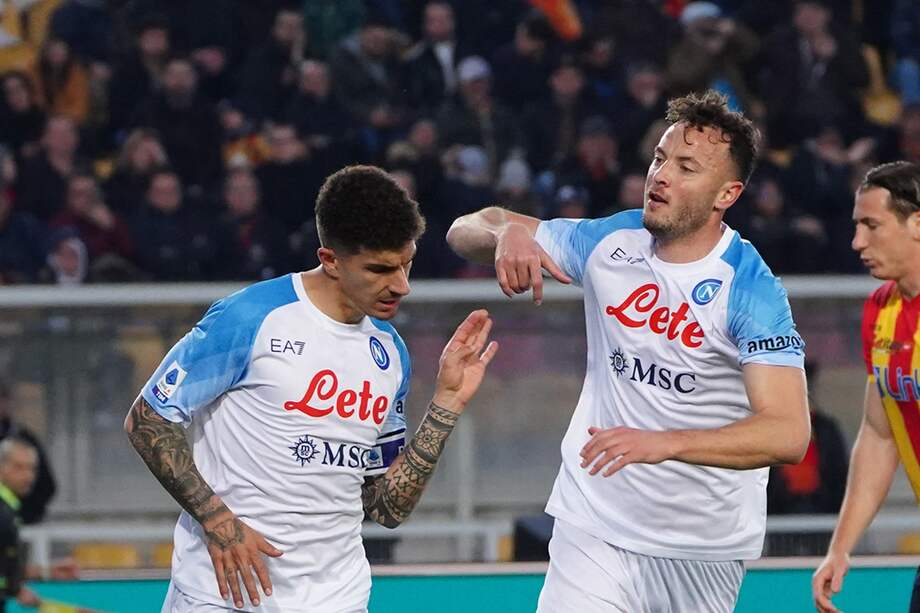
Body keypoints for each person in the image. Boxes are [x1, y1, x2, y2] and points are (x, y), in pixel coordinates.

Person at [447, 90, 810, 612]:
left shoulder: (750, 289)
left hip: (700, 547)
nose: (661, 175)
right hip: (593, 520)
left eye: (686, 167)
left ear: (726, 194)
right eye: (660, 158)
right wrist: (506, 231)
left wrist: (665, 443)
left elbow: (788, 432)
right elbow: (464, 231)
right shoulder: (613, 239)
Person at [125, 165, 498, 611]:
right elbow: (148, 418)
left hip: (337, 598)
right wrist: (216, 518)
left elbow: (385, 507)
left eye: (407, 263)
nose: (401, 285)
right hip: (224, 595)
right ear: (330, 260)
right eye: (380, 269)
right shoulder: (250, 318)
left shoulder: (389, 351)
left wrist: (447, 402)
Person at [812, 161, 920, 613]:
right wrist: (841, 546)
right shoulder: (881, 310)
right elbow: (879, 434)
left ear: (917, 223)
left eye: (871, 226)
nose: (858, 242)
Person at [0, 437, 41, 611]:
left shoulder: (8, 510)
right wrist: (14, 589)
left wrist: (47, 571)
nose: (28, 476)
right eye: (18, 467)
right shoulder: (3, 513)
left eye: (31, 468)